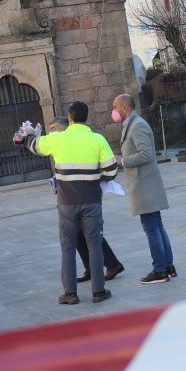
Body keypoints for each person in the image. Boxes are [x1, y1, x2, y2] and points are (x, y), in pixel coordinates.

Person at [15, 102, 117, 305]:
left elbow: (34, 146)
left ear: (69, 119)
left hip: (67, 203)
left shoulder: (57, 139)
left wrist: (28, 135)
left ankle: (70, 294)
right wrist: (94, 176)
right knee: (94, 246)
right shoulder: (98, 139)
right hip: (91, 201)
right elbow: (111, 171)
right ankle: (98, 291)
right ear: (86, 118)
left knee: (68, 247)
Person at [46, 117, 125, 283]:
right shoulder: (61, 144)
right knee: (81, 235)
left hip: (83, 196)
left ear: (65, 128)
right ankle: (91, 268)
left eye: (53, 128)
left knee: (91, 235)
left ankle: (112, 264)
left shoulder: (78, 141)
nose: (51, 132)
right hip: (72, 197)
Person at [112, 93, 176, 284]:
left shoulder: (137, 125)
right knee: (156, 226)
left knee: (151, 228)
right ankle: (168, 266)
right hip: (143, 184)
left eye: (115, 107)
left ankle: (160, 270)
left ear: (125, 108)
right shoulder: (131, 124)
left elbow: (146, 154)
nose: (113, 112)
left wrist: (122, 161)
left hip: (144, 185)